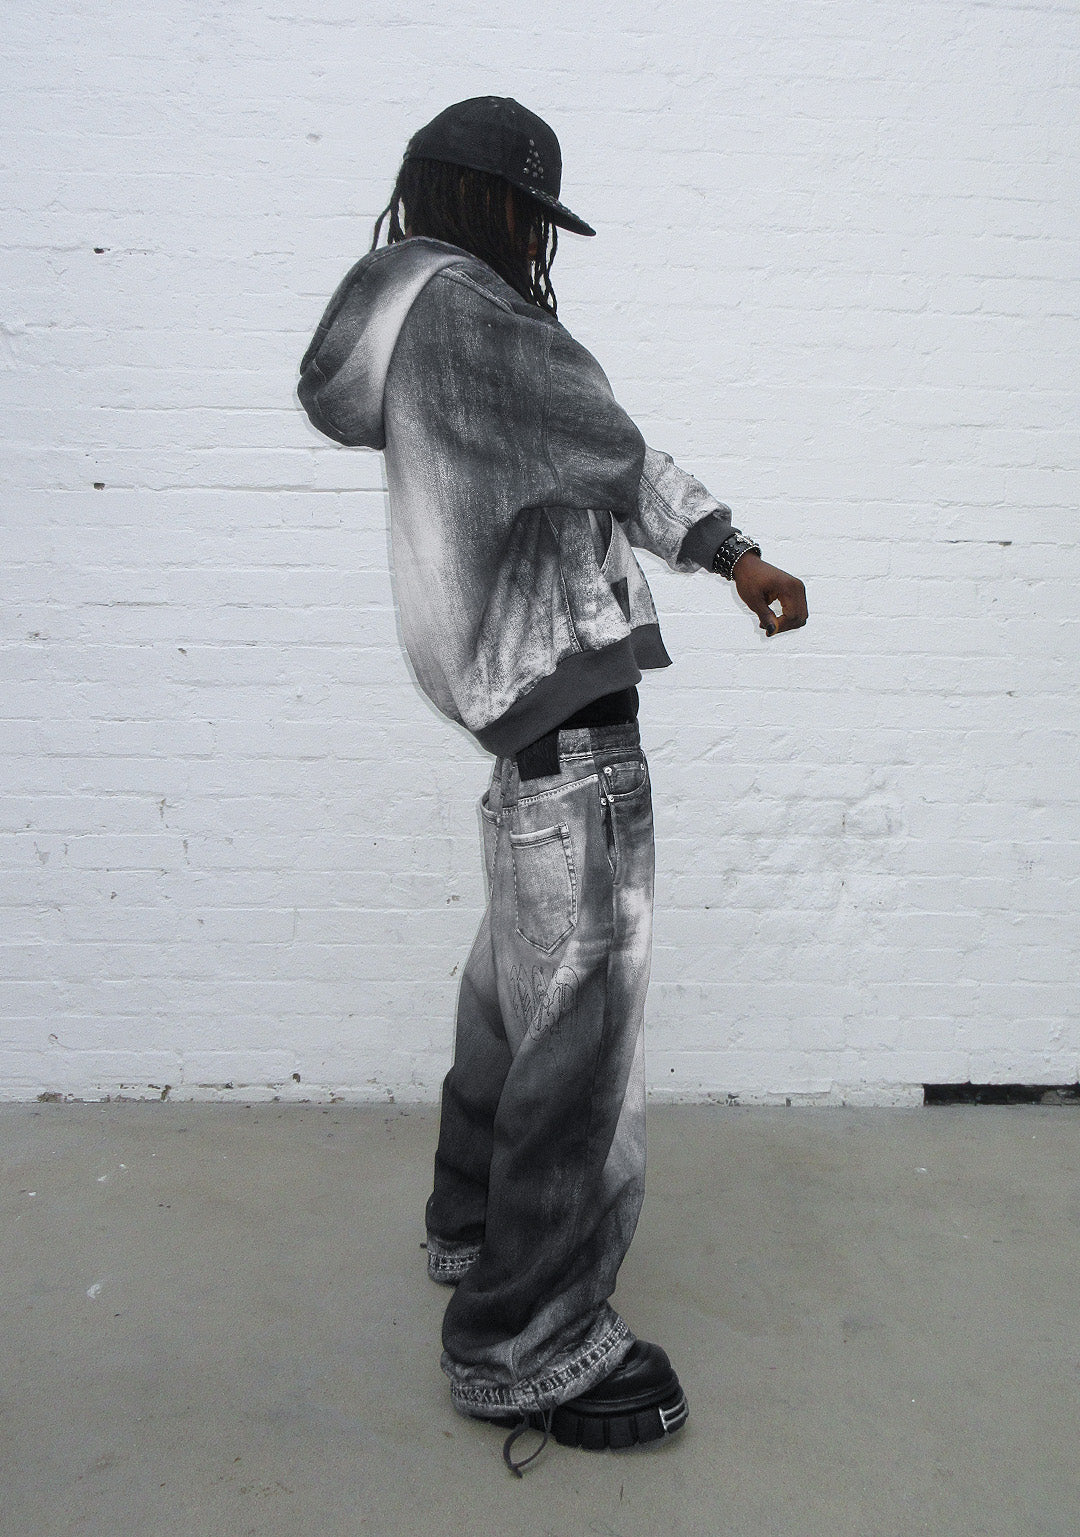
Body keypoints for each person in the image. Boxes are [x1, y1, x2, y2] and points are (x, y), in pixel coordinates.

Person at [298, 95, 807, 1474]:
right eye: (532, 217)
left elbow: (576, 460)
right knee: (582, 1069)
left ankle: (471, 1229)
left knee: (508, 1010)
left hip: (525, 756)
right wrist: (736, 550)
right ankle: (525, 1338)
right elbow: (619, 449)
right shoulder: (483, 325)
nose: (537, 245)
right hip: (578, 750)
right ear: (496, 204)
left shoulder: (408, 327)